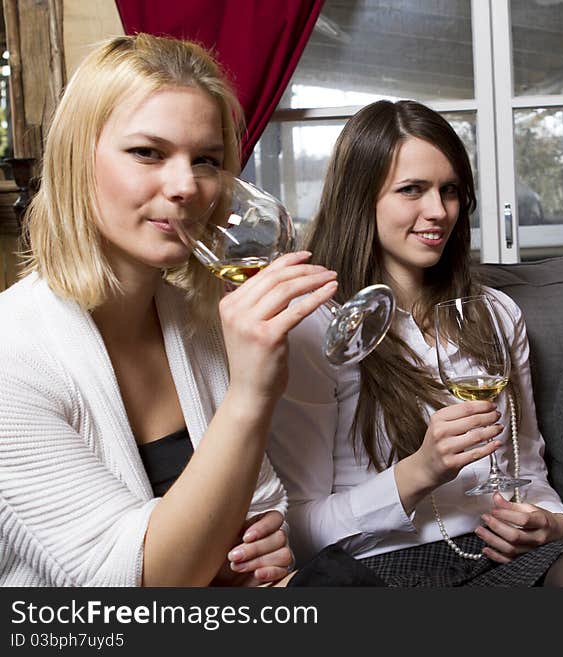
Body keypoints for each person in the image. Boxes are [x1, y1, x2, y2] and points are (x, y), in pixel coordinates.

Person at [268, 99, 563, 587]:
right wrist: (420, 471)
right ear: (360, 198)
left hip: (499, 556)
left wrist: (549, 524)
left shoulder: (495, 313)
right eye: (412, 190)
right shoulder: (316, 326)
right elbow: (297, 531)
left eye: (450, 190)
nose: (439, 212)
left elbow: (527, 468)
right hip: (376, 572)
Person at [0, 34, 339, 586]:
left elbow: (261, 510)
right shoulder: (11, 355)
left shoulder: (198, 324)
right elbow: (122, 585)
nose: (186, 186)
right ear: (75, 161)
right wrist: (253, 392)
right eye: (147, 152)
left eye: (206, 160)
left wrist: (262, 551)